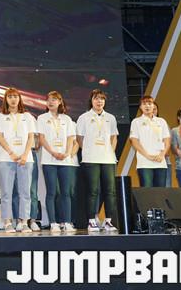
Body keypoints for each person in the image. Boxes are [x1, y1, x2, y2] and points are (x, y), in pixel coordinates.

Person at [76, 89, 119, 232]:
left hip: (108, 159)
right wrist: (89, 150)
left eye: (102, 99)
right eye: (96, 98)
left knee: (110, 191)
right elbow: (79, 138)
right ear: (91, 101)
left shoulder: (111, 118)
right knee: (93, 191)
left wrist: (110, 152)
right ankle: (91, 221)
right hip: (91, 159)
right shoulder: (84, 117)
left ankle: (108, 221)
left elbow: (114, 137)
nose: (99, 101)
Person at [0, 87, 35, 233]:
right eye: (10, 96)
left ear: (19, 99)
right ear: (6, 99)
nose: (13, 99)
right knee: (6, 192)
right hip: (6, 158)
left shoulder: (27, 116)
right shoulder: (0, 116)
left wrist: (25, 155)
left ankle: (24, 222)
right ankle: (7, 222)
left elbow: (31, 137)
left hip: (25, 159)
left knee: (25, 192)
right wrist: (11, 153)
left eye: (15, 96)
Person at [37, 91, 78, 233]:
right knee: (52, 192)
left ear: (60, 102)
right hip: (49, 160)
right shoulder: (42, 118)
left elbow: (71, 138)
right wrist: (53, 152)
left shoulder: (66, 119)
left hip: (65, 161)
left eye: (54, 99)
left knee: (66, 193)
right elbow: (41, 138)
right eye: (48, 100)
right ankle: (53, 222)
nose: (51, 102)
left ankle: (67, 222)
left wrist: (67, 153)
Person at [130, 96, 170, 187]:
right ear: (140, 107)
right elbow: (134, 141)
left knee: (160, 192)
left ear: (153, 106)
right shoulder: (136, 122)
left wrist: (162, 154)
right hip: (144, 163)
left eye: (149, 103)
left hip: (160, 162)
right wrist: (147, 156)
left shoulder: (161, 121)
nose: (147, 106)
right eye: (144, 104)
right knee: (147, 192)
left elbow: (167, 140)